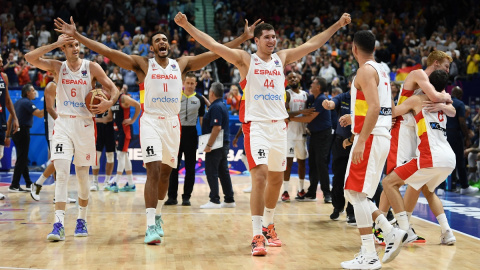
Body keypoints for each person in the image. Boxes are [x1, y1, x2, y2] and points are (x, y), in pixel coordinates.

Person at [55, 15, 261, 244]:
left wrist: (243, 37)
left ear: (168, 45)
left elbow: (216, 52)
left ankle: (159, 213)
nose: (162, 42)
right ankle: (150, 225)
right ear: (152, 48)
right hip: (151, 121)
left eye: (165, 39)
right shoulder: (144, 65)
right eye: (158, 40)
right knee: (153, 169)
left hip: (172, 124)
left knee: (166, 173)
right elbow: (109, 52)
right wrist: (77, 36)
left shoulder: (180, 65)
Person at [175, 11, 351, 256]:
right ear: (256, 40)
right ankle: (257, 234)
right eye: (267, 37)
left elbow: (314, 43)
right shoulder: (246, 60)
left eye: (274, 37)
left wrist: (337, 25)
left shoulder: (282, 58)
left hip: (280, 126)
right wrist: (187, 26)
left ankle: (269, 225)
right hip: (256, 126)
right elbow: (212, 44)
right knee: (260, 177)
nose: (272, 40)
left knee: (277, 181)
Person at [25, 34, 119, 241]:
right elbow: (30, 58)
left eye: (76, 44)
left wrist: (108, 103)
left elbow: (113, 88)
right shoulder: (58, 67)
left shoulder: (91, 67)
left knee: (83, 177)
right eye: (69, 46)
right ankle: (58, 223)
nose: (75, 48)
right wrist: (55, 44)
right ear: (63, 49)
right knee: (61, 172)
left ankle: (82, 218)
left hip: (85, 125)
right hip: (64, 123)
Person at [340, 30, 406, 270]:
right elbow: (379, 107)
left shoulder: (364, 70)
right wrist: (354, 118)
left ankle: (370, 253)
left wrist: (360, 139)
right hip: (378, 135)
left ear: (354, 49)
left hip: (370, 138)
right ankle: (387, 233)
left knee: (356, 194)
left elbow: (376, 107)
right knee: (355, 194)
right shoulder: (382, 70)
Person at [379, 50, 456, 243]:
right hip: (403, 130)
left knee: (413, 183)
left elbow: (450, 107)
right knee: (394, 179)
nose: (448, 70)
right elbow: (439, 98)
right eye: (446, 66)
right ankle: (380, 228)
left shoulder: (431, 90)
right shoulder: (420, 75)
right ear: (436, 63)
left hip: (419, 134)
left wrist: (444, 103)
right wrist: (444, 99)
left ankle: (405, 227)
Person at [30, 80, 76, 203]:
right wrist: (63, 123)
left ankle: (59, 194)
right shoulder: (52, 86)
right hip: (54, 130)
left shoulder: (66, 86)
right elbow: (50, 108)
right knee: (59, 161)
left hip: (64, 129)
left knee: (61, 162)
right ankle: (38, 184)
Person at [290, 76, 332, 203]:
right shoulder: (311, 98)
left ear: (318, 87)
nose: (311, 84)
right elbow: (305, 115)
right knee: (312, 163)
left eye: (313, 83)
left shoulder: (321, 99)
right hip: (313, 134)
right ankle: (312, 192)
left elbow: (308, 118)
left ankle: (327, 194)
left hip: (323, 135)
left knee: (321, 163)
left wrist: (290, 119)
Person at [166, 72, 205, 206]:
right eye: (187, 83)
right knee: (173, 166)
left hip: (191, 134)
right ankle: (172, 196)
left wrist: (205, 138)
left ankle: (186, 197)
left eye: (191, 83)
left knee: (190, 167)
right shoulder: (176, 97)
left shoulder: (199, 99)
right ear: (183, 83)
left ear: (195, 84)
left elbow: (202, 120)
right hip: (176, 133)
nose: (189, 85)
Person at [95, 80, 141, 192]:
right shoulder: (112, 101)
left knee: (120, 156)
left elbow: (138, 105)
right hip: (117, 132)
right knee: (124, 157)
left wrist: (132, 120)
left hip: (125, 132)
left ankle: (115, 182)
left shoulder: (123, 98)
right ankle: (131, 184)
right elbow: (108, 118)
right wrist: (94, 120)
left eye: (112, 88)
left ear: (118, 88)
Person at [322, 73, 355, 225]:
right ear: (350, 83)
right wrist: (328, 104)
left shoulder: (366, 98)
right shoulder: (343, 97)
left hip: (357, 143)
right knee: (338, 177)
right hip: (340, 143)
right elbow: (333, 102)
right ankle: (338, 206)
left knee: (355, 179)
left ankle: (352, 212)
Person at [200, 82, 235, 208]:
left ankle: (214, 200)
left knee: (211, 171)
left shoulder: (216, 108)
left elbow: (217, 127)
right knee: (223, 171)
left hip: (216, 145)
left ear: (212, 93)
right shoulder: (221, 105)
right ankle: (229, 199)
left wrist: (209, 145)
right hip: (223, 143)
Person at [439, 86, 479, 194]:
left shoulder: (445, 102)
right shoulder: (460, 104)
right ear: (460, 95)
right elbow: (462, 122)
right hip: (455, 134)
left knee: (444, 159)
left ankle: (441, 187)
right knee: (460, 161)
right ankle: (464, 186)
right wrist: (466, 137)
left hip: (444, 133)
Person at [7, 84, 44, 192]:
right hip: (22, 131)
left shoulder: (18, 102)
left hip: (16, 133)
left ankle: (28, 183)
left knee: (22, 158)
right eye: (33, 90)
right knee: (22, 159)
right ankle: (14, 185)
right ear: (28, 93)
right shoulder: (27, 103)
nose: (34, 92)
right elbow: (40, 114)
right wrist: (49, 105)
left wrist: (8, 135)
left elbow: (10, 120)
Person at [282, 71, 309, 202]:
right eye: (290, 78)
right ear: (287, 81)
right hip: (289, 134)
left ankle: (301, 189)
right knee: (288, 162)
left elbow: (309, 114)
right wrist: (301, 113)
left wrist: (307, 124)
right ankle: (285, 191)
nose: (293, 79)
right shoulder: (287, 94)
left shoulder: (305, 95)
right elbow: (286, 115)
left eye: (294, 77)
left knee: (302, 162)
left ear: (299, 78)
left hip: (302, 133)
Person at [0, 54, 19, 198]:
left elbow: (7, 100)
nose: (2, 62)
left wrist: (15, 118)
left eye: (2, 60)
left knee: (0, 154)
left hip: (0, 119)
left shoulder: (4, 77)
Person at [90, 98, 116, 192]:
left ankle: (107, 181)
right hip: (99, 130)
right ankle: (95, 182)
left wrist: (95, 119)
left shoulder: (112, 100)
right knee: (96, 156)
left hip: (110, 130)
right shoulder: (96, 99)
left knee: (110, 156)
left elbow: (109, 118)